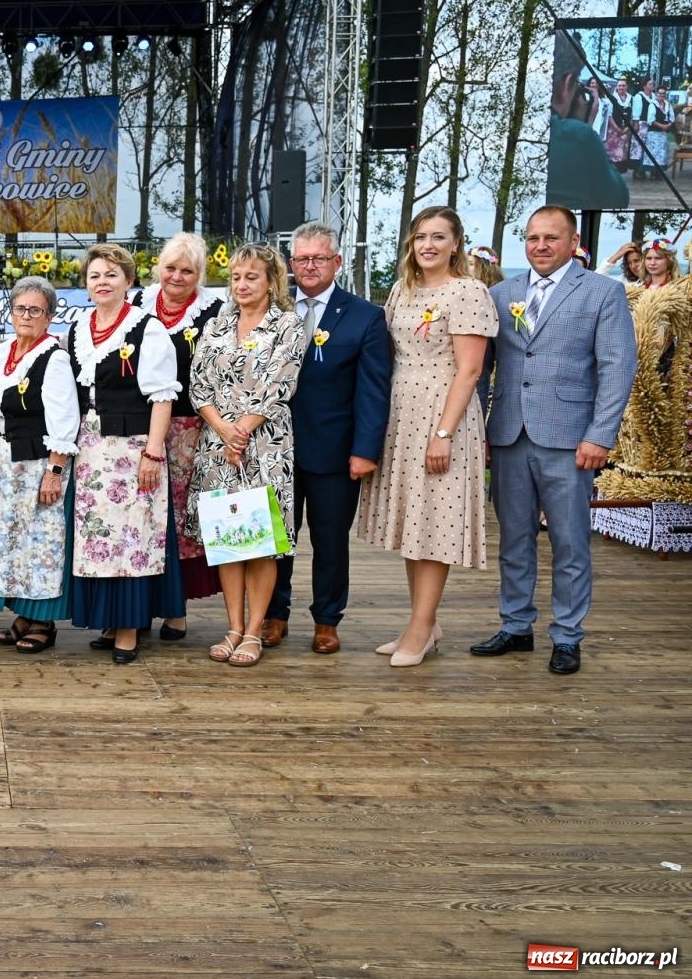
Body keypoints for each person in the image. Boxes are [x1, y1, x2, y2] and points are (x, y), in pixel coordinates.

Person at [477, 206, 637, 675]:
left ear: (572, 243)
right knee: (514, 538)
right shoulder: (501, 293)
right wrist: (477, 430)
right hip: (508, 434)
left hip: (571, 440)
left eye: (551, 238)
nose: (540, 246)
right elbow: (482, 367)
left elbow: (616, 368)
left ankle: (567, 635)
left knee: (569, 542)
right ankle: (516, 625)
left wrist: (600, 435)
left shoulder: (602, 293)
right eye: (531, 238)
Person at [357, 206, 496, 667]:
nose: (428, 246)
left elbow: (471, 369)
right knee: (414, 523)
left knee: (435, 524)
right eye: (421, 237)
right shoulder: (403, 288)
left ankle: (420, 627)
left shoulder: (469, 292)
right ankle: (424, 621)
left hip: (444, 414)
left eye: (439, 237)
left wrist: (444, 433)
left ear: (456, 243)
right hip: (403, 412)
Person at [263, 222, 391, 654]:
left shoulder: (364, 316)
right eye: (301, 258)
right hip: (273, 450)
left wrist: (365, 450)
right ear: (291, 263)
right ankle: (273, 615)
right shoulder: (271, 309)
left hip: (335, 453)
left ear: (337, 262)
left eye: (319, 258)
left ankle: (327, 620)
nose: (310, 266)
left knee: (330, 540)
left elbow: (373, 390)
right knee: (276, 539)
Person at [188, 243, 305, 668]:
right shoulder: (217, 325)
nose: (241, 285)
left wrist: (243, 430)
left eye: (251, 277)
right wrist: (222, 429)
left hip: (265, 447)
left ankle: (255, 630)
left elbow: (281, 382)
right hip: (218, 447)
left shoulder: (288, 325)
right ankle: (233, 626)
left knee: (260, 544)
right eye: (236, 277)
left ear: (272, 281)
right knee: (228, 540)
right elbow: (197, 384)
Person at [65, 243, 179, 664]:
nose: (102, 282)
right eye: (95, 275)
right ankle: (109, 619)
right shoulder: (78, 328)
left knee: (134, 536)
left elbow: (163, 397)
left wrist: (152, 453)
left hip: (133, 448)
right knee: (98, 536)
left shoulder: (146, 329)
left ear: (129, 281)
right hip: (92, 449)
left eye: (111, 275)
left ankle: (129, 628)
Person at [0, 275, 78, 654]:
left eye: (36, 310)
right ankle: (22, 614)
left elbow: (65, 420)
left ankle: (43, 621)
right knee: (7, 541)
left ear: (50, 316)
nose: (27, 315)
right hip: (1, 464)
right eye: (21, 308)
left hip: (36, 465)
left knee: (39, 542)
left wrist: (55, 471)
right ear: (11, 311)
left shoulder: (55, 358)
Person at [128, 231, 222, 646]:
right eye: (171, 267)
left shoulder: (214, 312)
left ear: (199, 274)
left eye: (188, 270)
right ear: (158, 269)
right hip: (139, 427)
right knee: (140, 514)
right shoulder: (136, 305)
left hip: (189, 427)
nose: (178, 276)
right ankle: (137, 604)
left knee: (180, 519)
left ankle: (176, 606)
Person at [642, 86, 676, 177]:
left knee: (662, 153)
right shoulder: (652, 104)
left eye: (663, 93)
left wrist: (668, 125)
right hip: (653, 133)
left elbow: (672, 118)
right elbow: (651, 120)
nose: (661, 95)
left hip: (663, 134)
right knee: (653, 153)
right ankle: (653, 172)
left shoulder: (668, 105)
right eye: (660, 93)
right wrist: (662, 126)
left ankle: (659, 173)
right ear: (656, 94)